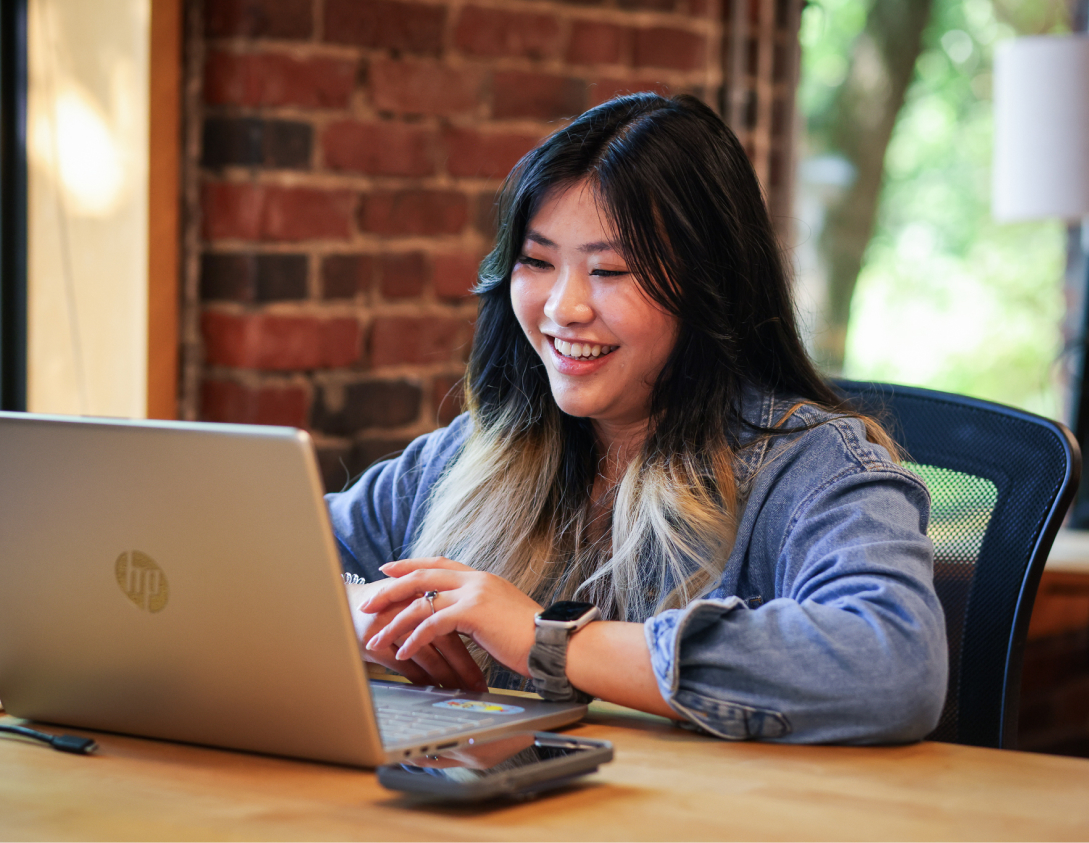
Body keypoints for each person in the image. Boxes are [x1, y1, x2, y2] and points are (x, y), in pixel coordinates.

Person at [328, 93, 948, 744]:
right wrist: (358, 610)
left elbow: (894, 663)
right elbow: (280, 561)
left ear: (709, 288)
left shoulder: (809, 468)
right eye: (537, 261)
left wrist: (549, 641)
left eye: (609, 269)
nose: (563, 307)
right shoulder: (471, 453)